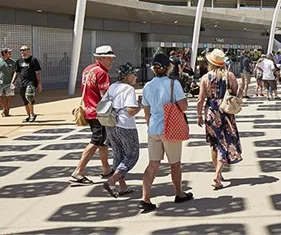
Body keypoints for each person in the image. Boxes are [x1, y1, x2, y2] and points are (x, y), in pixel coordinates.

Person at [140, 53, 193, 213]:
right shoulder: (173, 84)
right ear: (169, 68)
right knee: (175, 163)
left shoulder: (147, 86)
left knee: (153, 164)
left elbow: (146, 111)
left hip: (153, 129)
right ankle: (179, 193)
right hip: (169, 128)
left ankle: (145, 199)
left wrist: (151, 124)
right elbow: (183, 106)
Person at [197, 49, 242, 190]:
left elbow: (200, 99)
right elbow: (235, 93)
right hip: (226, 111)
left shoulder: (205, 78)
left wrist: (199, 115)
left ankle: (217, 172)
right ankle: (218, 174)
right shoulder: (229, 76)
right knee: (226, 142)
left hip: (211, 111)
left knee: (215, 143)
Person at [70, 45, 114, 185]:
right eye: (108, 58)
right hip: (99, 112)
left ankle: (106, 168)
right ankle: (79, 170)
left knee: (102, 141)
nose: (111, 61)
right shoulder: (102, 73)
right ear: (100, 58)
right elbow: (105, 96)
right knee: (96, 140)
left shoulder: (88, 70)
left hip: (88, 109)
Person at [103, 63, 142, 198]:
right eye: (134, 74)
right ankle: (112, 181)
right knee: (132, 155)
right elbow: (131, 111)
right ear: (127, 76)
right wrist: (140, 106)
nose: (136, 77)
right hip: (125, 125)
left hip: (110, 124)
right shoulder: (128, 89)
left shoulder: (112, 87)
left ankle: (122, 186)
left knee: (118, 154)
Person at [12, 45, 42, 122]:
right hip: (22, 83)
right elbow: (17, 72)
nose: (22, 52)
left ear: (28, 50)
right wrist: (13, 81)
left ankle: (32, 114)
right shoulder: (19, 61)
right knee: (25, 100)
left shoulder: (33, 60)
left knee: (29, 96)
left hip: (31, 82)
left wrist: (39, 83)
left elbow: (37, 72)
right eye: (21, 50)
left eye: (24, 50)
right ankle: (29, 116)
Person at [0, 47, 16, 117]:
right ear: (4, 53)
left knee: (9, 97)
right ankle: (5, 106)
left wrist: (14, 81)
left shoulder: (13, 62)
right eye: (9, 52)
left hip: (10, 82)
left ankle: (7, 111)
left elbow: (15, 72)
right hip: (0, 82)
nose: (10, 54)